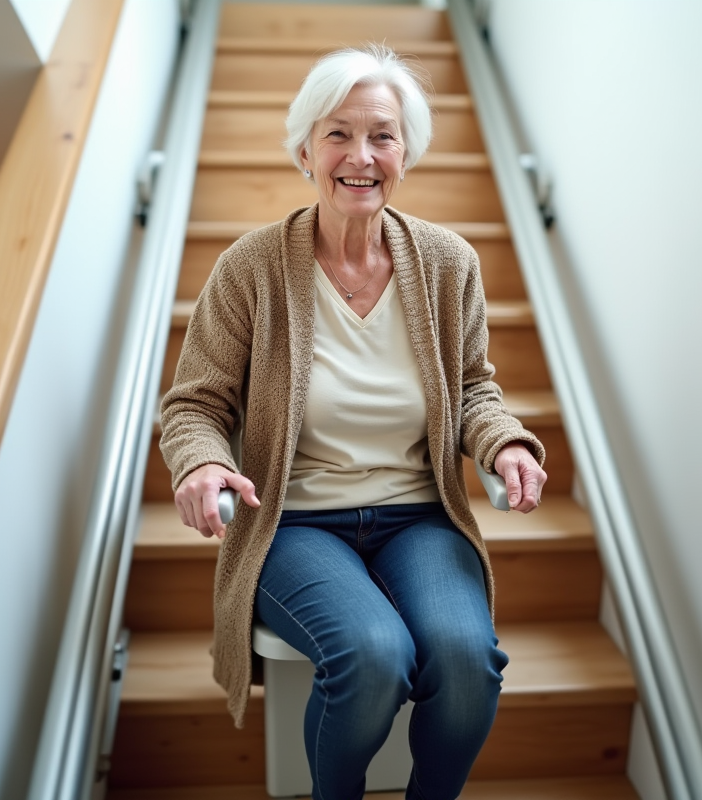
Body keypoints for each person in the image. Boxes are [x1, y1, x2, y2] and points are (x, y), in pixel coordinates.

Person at [159, 44, 547, 800]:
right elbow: (195, 404)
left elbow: (474, 389)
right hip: (294, 521)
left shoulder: (447, 263)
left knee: (468, 661)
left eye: (382, 135)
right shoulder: (251, 268)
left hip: (417, 517)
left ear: (407, 152)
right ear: (305, 149)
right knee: (373, 655)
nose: (360, 156)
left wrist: (501, 445)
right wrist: (201, 463)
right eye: (338, 134)